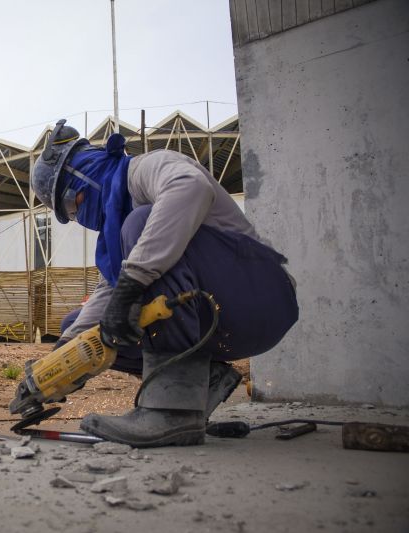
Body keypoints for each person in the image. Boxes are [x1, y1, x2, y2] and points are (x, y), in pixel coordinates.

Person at [32, 119, 298, 447]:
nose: (79, 217)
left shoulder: (146, 168)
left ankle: (173, 413)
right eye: (70, 215)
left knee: (140, 226)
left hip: (261, 298)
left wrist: (132, 283)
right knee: (88, 327)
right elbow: (110, 292)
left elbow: (191, 186)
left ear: (84, 175)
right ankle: (204, 383)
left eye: (72, 204)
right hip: (227, 325)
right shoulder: (116, 240)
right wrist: (57, 363)